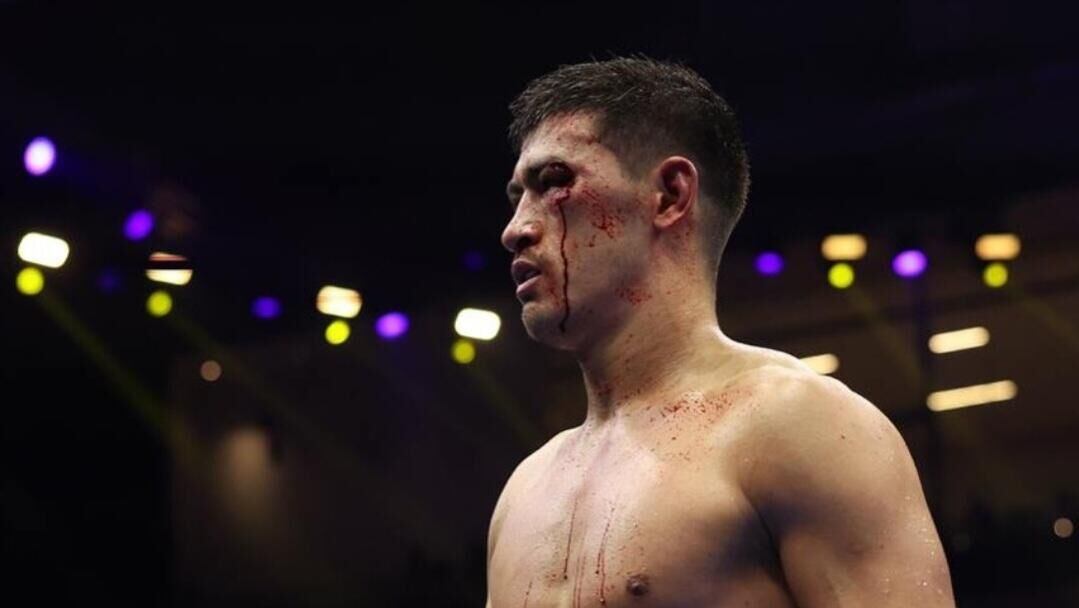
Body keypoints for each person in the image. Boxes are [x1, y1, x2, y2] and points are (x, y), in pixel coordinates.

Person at [486, 57, 955, 607]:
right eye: (517, 196)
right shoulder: (524, 492)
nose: (515, 229)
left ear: (669, 195)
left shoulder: (799, 425)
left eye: (555, 182)